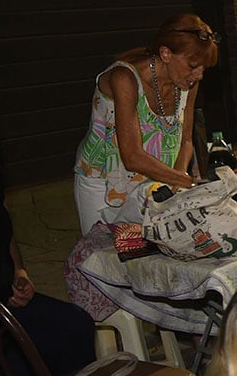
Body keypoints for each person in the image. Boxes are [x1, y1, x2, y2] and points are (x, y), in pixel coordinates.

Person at [73, 14, 218, 234]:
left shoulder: (187, 83)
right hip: (103, 182)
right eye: (193, 66)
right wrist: (186, 182)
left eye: (203, 69)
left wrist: (177, 182)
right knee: (105, 256)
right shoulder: (124, 78)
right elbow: (132, 156)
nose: (198, 75)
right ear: (166, 53)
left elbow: (186, 139)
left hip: (156, 179)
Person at [0, 103, 96, 376]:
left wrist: (19, 271)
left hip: (5, 298)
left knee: (77, 326)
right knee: (16, 362)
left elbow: (3, 224)